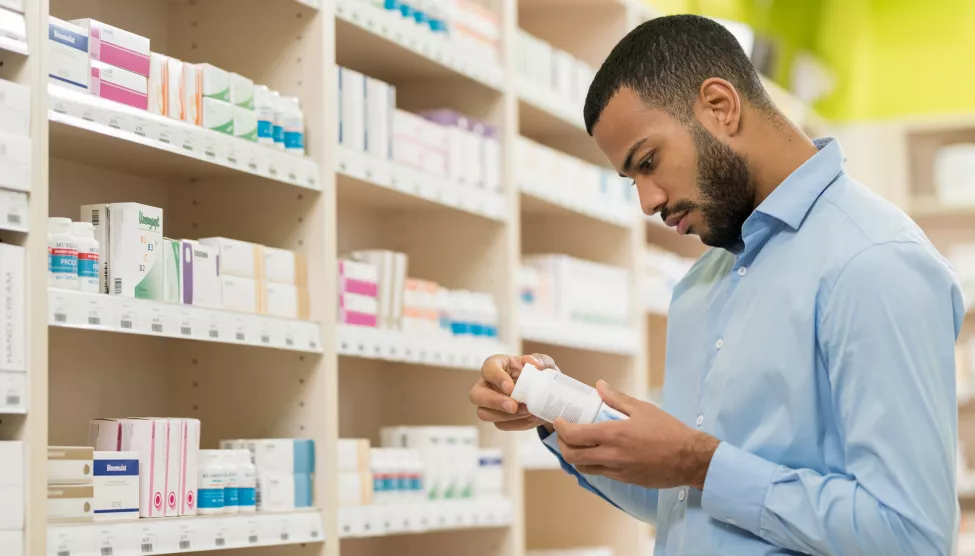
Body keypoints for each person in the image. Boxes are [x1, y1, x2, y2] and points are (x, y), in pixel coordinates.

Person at [469, 14, 965, 556]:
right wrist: (552, 409)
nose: (648, 201)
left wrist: (698, 462)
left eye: (649, 162)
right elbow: (684, 502)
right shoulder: (703, 282)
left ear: (720, 106)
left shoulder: (874, 261)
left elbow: (910, 536)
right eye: (633, 179)